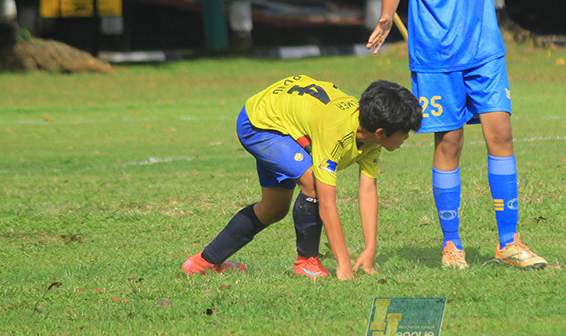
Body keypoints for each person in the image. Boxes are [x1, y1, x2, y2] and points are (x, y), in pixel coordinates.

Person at [366, 0, 547, 269]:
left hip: (483, 46)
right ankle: (452, 244)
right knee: (448, 143)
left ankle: (510, 242)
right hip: (435, 53)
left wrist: (484, 0)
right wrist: (388, 14)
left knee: (500, 135)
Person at [181, 74, 422, 280]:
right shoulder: (336, 132)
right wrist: (343, 262)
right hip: (260, 124)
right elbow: (327, 204)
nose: (406, 139)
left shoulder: (370, 135)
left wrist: (370, 249)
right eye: (404, 133)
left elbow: (368, 190)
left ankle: (203, 262)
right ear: (381, 133)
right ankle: (307, 263)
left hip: (283, 121)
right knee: (313, 184)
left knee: (273, 209)